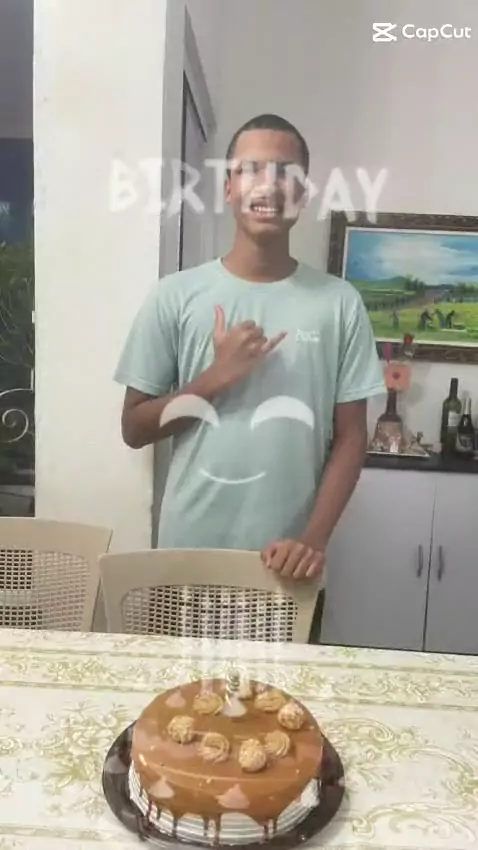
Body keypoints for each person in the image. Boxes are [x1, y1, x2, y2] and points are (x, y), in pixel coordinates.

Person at [114, 114, 385, 641]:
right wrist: (215, 378)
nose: (268, 185)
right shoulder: (175, 296)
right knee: (182, 695)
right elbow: (134, 427)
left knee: (281, 695)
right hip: (186, 562)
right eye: (251, 169)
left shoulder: (339, 303)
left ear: (302, 193)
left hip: (288, 568)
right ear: (228, 187)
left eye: (285, 172)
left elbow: (352, 437)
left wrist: (313, 540)